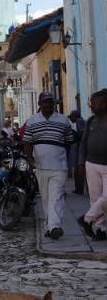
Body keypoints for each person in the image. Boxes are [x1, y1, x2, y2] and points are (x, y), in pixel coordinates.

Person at [24, 91, 73, 240]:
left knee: (56, 197)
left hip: (59, 167)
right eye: (46, 102)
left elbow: (69, 141)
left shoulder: (63, 120)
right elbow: (27, 142)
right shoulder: (32, 121)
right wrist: (31, 161)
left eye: (51, 102)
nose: (49, 105)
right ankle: (48, 226)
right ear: (40, 104)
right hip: (40, 167)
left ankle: (55, 226)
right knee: (45, 198)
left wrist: (61, 156)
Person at [78, 89, 107, 240]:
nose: (91, 105)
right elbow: (83, 143)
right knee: (95, 198)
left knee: (106, 197)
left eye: (94, 102)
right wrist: (81, 163)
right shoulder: (91, 121)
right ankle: (100, 229)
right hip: (91, 164)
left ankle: (86, 219)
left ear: (104, 104)